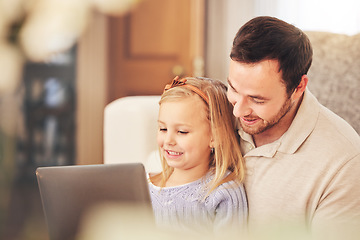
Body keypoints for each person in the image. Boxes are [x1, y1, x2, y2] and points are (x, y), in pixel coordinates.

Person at [227, 16, 360, 238]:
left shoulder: (344, 163)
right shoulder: (217, 109)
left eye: (257, 100)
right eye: (233, 89)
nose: (237, 111)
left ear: (298, 87)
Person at [148, 76, 248, 235]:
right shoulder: (147, 187)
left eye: (182, 131)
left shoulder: (223, 192)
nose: (168, 140)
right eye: (163, 129)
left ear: (215, 137)